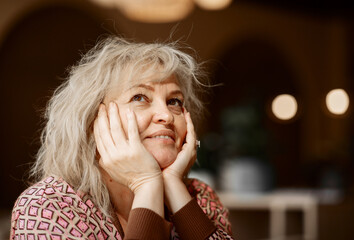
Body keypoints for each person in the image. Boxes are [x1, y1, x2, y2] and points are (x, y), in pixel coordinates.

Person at [10, 36, 233, 239]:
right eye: (140, 97)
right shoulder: (47, 206)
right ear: (93, 120)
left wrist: (173, 188)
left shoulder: (199, 196)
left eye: (174, 101)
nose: (166, 115)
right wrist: (146, 184)